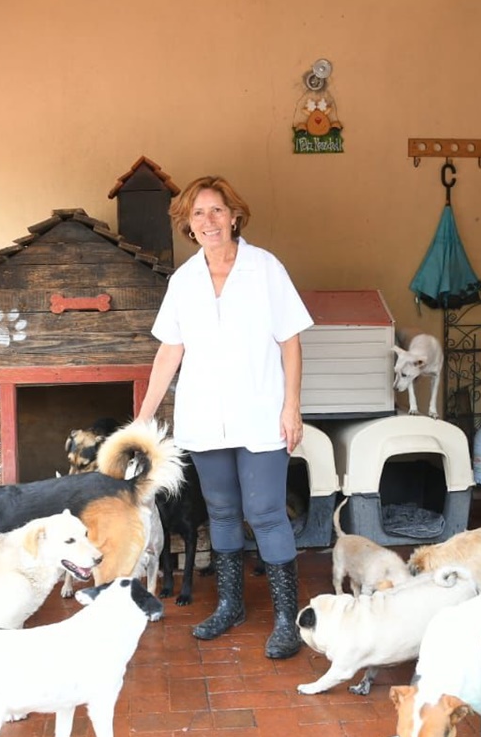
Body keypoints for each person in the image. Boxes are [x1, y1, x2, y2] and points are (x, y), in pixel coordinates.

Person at [136, 175, 313, 659]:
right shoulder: (184, 281)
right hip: (204, 417)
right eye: (198, 214)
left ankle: (286, 620)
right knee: (221, 513)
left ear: (234, 216)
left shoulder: (265, 269)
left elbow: (291, 341)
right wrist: (144, 419)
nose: (208, 221)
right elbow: (170, 352)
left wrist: (291, 405)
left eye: (217, 211)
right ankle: (231, 604)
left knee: (266, 513)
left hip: (261, 416)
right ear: (187, 225)